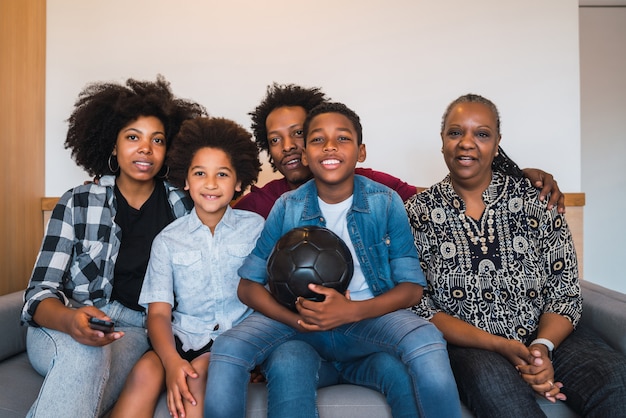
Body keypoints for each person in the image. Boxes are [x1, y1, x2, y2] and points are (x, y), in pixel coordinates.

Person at [205, 102, 463, 418]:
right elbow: (247, 287)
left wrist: (351, 310)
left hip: (366, 320)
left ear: (361, 151)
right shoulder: (288, 206)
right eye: (317, 139)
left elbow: (411, 288)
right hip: (300, 324)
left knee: (427, 339)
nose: (329, 146)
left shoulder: (385, 202)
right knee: (227, 347)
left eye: (341, 138)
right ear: (306, 153)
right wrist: (296, 320)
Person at [404, 93, 626, 417]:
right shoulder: (416, 213)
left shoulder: (537, 200)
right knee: (498, 392)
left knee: (615, 379)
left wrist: (541, 349)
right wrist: (498, 345)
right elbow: (420, 306)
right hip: (472, 349)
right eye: (455, 132)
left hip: (549, 335)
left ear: (497, 144)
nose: (467, 143)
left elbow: (564, 291)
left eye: (481, 134)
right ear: (442, 141)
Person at [20, 76, 206, 418]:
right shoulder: (77, 202)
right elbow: (38, 293)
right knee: (84, 352)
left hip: (134, 330)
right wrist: (72, 319)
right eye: (133, 137)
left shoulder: (185, 208)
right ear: (113, 146)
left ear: (169, 151)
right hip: (61, 325)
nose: (145, 149)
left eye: (158, 140)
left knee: (92, 368)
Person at [110, 117, 264, 418]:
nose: (210, 183)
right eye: (200, 173)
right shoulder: (168, 239)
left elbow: (269, 294)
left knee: (196, 377)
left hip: (234, 340)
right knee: (145, 372)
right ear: (185, 180)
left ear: (238, 182)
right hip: (182, 337)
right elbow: (157, 313)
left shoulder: (256, 229)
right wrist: (170, 362)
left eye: (222, 174)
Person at [234, 83, 565, 218]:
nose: (289, 146)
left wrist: (516, 176)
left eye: (300, 134)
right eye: (275, 139)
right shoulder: (259, 204)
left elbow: (441, 201)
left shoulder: (372, 187)